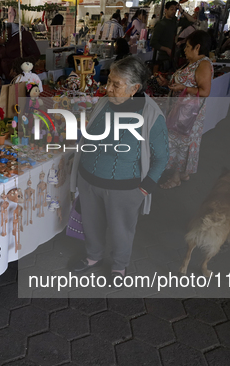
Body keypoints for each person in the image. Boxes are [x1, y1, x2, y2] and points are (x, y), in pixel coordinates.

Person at [69, 57, 169, 278]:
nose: (108, 88)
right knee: (91, 224)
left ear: (134, 88)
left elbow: (162, 157)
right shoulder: (105, 102)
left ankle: (119, 265)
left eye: (116, 84)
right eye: (109, 81)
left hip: (125, 188)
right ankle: (93, 256)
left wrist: (144, 189)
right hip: (89, 180)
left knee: (120, 230)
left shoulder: (151, 115)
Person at [159, 30, 212, 189]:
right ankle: (183, 172)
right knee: (179, 141)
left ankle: (175, 177)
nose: (184, 49)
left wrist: (184, 88)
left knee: (178, 143)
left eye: (188, 46)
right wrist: (167, 83)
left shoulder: (203, 64)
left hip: (187, 113)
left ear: (197, 47)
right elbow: (184, 82)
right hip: (180, 110)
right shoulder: (192, 63)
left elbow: (205, 92)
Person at [0, 22, 40, 89]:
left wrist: (18, 67)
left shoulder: (23, 36)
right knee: (11, 98)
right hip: (8, 79)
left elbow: (36, 55)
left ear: (4, 32)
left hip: (25, 78)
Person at [151, 1, 195, 70]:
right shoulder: (161, 24)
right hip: (162, 58)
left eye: (175, 9)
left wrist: (182, 11)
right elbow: (153, 43)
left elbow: (192, 21)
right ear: (166, 10)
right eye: (172, 9)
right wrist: (167, 49)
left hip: (173, 57)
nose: (174, 11)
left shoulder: (175, 21)